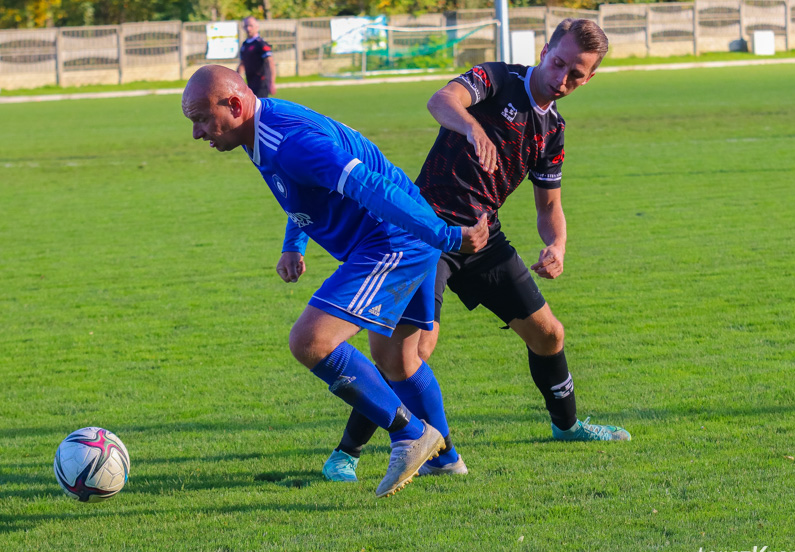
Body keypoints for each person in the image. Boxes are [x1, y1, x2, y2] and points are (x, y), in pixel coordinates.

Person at [321, 18, 630, 483]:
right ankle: (347, 452)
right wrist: (472, 128)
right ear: (545, 50)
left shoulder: (553, 130)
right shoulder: (498, 78)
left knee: (549, 335)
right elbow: (441, 99)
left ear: (590, 78)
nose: (562, 78)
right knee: (410, 352)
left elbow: (549, 206)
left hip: (484, 238)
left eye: (576, 74)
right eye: (559, 62)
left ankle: (566, 426)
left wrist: (557, 245)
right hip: (429, 233)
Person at [181, 65, 489, 497]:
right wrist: (295, 243)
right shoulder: (260, 125)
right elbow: (301, 190)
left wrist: (446, 235)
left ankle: (409, 434)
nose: (197, 133)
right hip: (404, 236)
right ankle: (445, 459)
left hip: (392, 239)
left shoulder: (290, 143)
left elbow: (368, 184)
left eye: (199, 118)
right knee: (398, 358)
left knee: (310, 341)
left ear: (234, 104)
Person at [238, 16, 277, 98]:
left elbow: (270, 62)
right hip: (250, 83)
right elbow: (242, 64)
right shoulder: (245, 44)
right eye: (246, 26)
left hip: (261, 83)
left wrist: (272, 82)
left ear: (257, 27)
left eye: (251, 26)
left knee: (259, 108)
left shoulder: (261, 44)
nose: (248, 29)